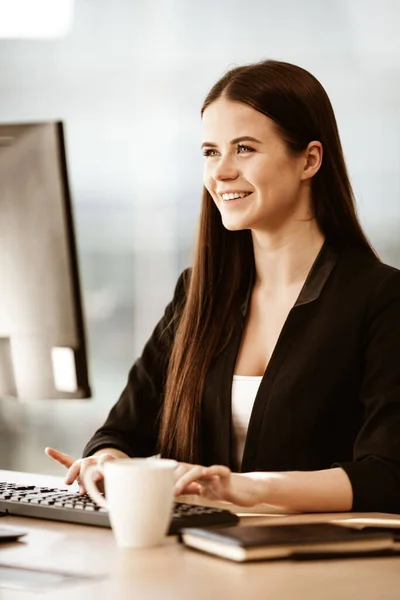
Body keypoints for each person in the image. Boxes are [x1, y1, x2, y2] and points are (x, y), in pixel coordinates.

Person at [46, 59, 400, 513]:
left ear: (309, 159)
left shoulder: (379, 299)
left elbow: (389, 474)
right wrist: (105, 462)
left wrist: (248, 487)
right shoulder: (199, 294)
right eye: (211, 152)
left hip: (315, 569)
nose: (220, 172)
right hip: (201, 562)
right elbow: (122, 431)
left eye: (245, 149)